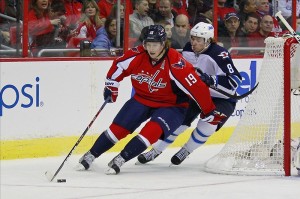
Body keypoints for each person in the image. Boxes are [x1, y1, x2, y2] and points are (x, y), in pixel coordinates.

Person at [76, 24, 224, 175]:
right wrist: (111, 86)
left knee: (150, 132)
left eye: (155, 45)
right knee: (118, 129)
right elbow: (119, 65)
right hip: (142, 99)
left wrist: (209, 110)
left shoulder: (175, 62)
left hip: (172, 105)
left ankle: (121, 159)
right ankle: (90, 155)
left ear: (163, 44)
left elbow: (197, 87)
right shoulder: (137, 54)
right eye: (148, 44)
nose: (151, 49)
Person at [137, 22, 242, 166]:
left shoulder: (219, 54)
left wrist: (212, 79)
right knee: (176, 122)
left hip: (222, 98)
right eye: (192, 38)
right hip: (196, 94)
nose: (194, 42)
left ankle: (186, 150)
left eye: (198, 40)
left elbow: (235, 81)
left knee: (208, 125)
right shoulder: (187, 49)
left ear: (208, 40)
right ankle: (156, 150)